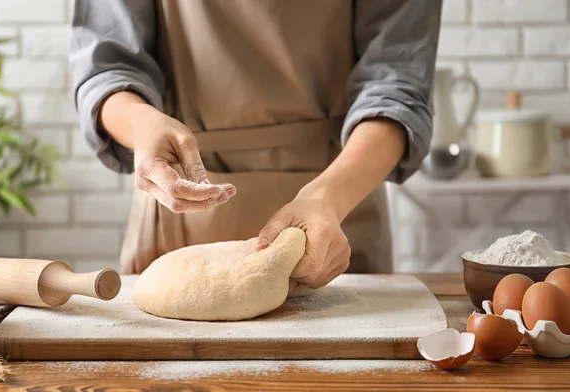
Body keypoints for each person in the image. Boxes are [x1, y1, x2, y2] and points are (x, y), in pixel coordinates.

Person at [70, 0, 442, 289]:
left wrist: (328, 198)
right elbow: (107, 67)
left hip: (339, 209)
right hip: (178, 211)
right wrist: (142, 124)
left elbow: (398, 85)